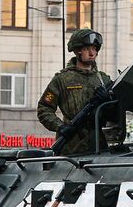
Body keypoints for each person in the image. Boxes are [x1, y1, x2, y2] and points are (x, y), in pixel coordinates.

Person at [37, 28, 114, 156]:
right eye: (87, 49)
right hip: (71, 147)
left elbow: (115, 114)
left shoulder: (103, 80)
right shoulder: (62, 79)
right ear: (77, 51)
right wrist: (60, 127)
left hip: (98, 145)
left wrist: (108, 101)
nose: (92, 53)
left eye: (94, 49)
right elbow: (44, 109)